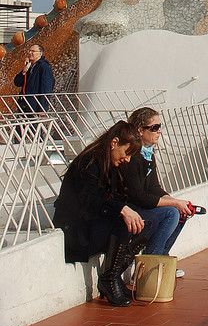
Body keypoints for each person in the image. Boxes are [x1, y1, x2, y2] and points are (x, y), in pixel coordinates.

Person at [53, 121, 157, 306]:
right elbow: (89, 201)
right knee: (123, 223)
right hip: (76, 229)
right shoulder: (89, 163)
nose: (126, 160)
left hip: (93, 223)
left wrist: (126, 209)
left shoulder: (111, 164)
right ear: (114, 142)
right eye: (126, 153)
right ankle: (109, 279)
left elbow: (117, 196)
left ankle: (113, 276)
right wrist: (121, 209)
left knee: (146, 222)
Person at [121, 107, 194, 276]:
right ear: (140, 130)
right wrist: (174, 203)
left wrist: (178, 203)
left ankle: (161, 259)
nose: (159, 131)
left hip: (141, 206)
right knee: (171, 213)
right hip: (130, 209)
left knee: (180, 212)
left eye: (159, 126)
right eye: (154, 127)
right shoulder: (133, 156)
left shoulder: (147, 154)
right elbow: (138, 196)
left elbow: (153, 187)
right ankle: (148, 269)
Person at [13, 43, 54, 113]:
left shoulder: (44, 66)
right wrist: (24, 70)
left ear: (40, 54)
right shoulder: (29, 67)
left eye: (33, 51)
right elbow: (17, 82)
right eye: (29, 51)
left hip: (35, 106)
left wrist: (43, 108)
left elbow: (46, 88)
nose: (30, 53)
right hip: (24, 104)